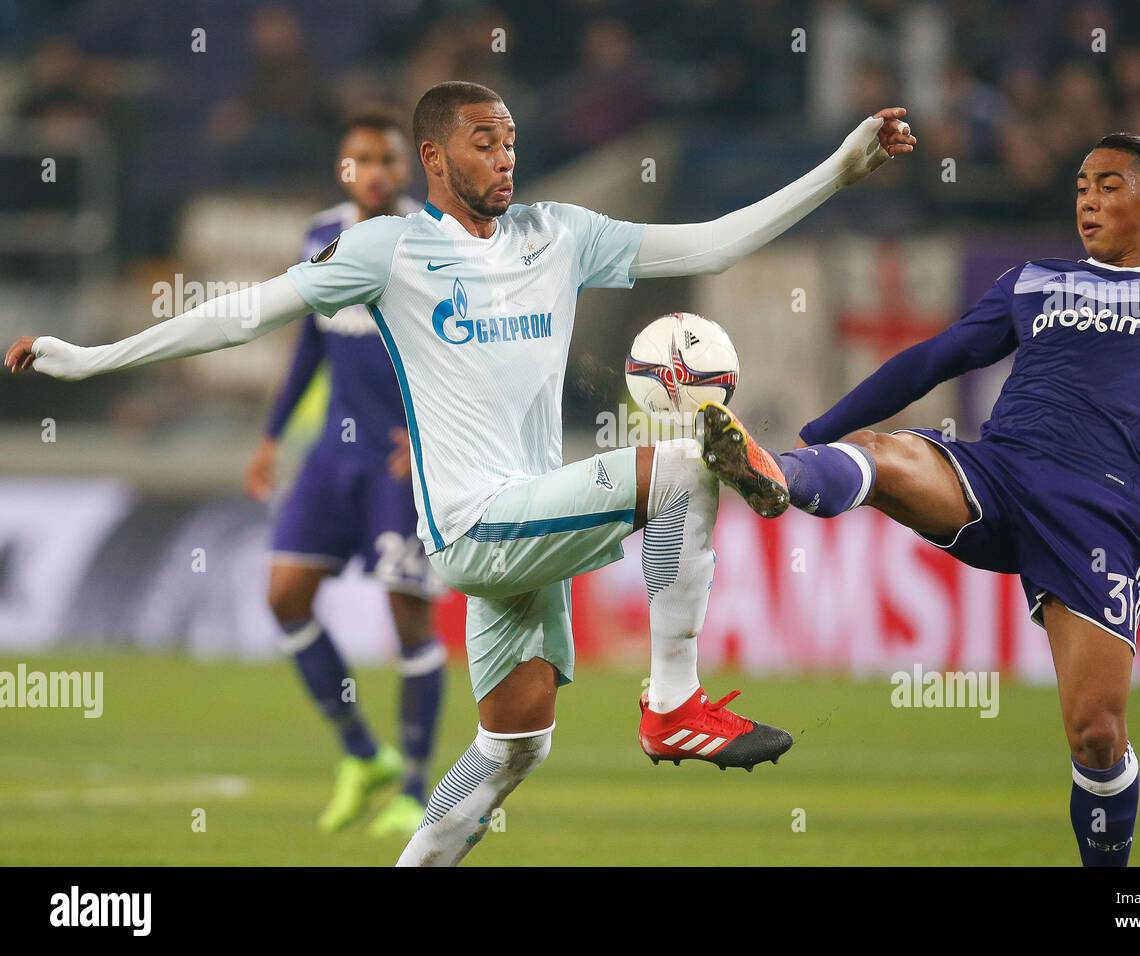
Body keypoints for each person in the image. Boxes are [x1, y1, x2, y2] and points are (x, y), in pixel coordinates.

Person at [6, 81, 916, 866]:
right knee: (681, 467)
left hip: (530, 519)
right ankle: (671, 702)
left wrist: (840, 168)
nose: (507, 156)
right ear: (436, 158)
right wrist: (89, 360)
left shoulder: (561, 234)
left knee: (514, 744)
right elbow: (245, 314)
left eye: (514, 140)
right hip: (474, 528)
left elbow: (712, 242)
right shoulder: (387, 252)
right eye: (487, 142)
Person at [697, 133, 1140, 867]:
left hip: (1093, 517)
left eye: (1109, 185)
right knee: (884, 454)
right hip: (996, 475)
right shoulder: (1034, 281)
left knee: (1097, 735)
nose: (1088, 199)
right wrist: (819, 430)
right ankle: (778, 473)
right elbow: (934, 358)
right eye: (1081, 185)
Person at [244, 113, 445, 837]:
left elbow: (455, 352)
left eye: (387, 159)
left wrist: (428, 441)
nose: (374, 170)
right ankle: (365, 755)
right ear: (343, 169)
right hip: (331, 456)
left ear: (406, 168)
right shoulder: (317, 235)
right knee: (285, 596)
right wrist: (271, 437)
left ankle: (417, 794)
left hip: (398, 461)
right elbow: (311, 342)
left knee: (407, 617)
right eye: (360, 158)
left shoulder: (432, 242)